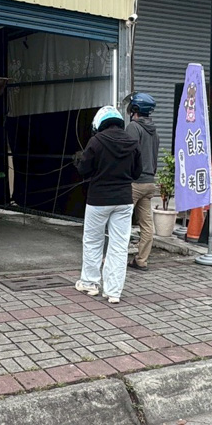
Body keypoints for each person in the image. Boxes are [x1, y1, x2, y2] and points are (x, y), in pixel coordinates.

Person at [73, 105, 141, 304]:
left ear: (99, 123)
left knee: (93, 241)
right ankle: (113, 292)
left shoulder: (96, 141)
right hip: (124, 200)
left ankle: (90, 283)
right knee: (119, 246)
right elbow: (137, 173)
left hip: (98, 200)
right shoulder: (132, 142)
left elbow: (84, 168)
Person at [125, 93, 159, 271]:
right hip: (149, 183)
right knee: (146, 224)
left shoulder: (133, 127)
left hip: (134, 183)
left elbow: (128, 154)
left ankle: (115, 257)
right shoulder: (154, 131)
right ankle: (141, 260)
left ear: (136, 109)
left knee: (121, 221)